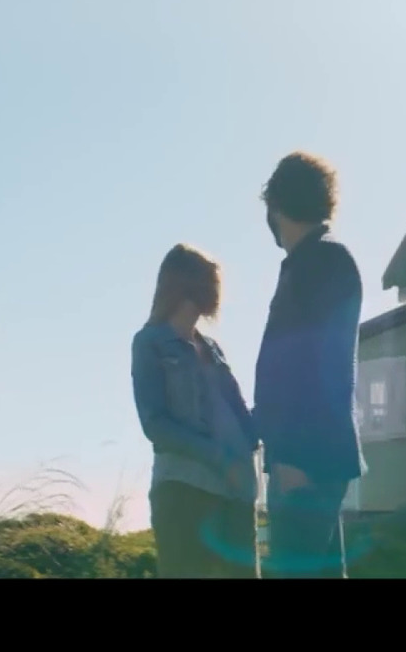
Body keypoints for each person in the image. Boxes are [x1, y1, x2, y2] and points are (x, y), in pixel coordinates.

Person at [255, 152, 365, 578]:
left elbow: (311, 367)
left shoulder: (320, 261)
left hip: (306, 456)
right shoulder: (319, 260)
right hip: (314, 453)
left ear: (277, 205)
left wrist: (293, 455)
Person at [131, 244, 260, 578]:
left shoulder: (212, 348)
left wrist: (255, 437)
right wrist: (217, 456)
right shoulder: (150, 343)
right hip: (184, 492)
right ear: (185, 285)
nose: (215, 294)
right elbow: (155, 425)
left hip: (235, 493)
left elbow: (238, 410)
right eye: (208, 282)